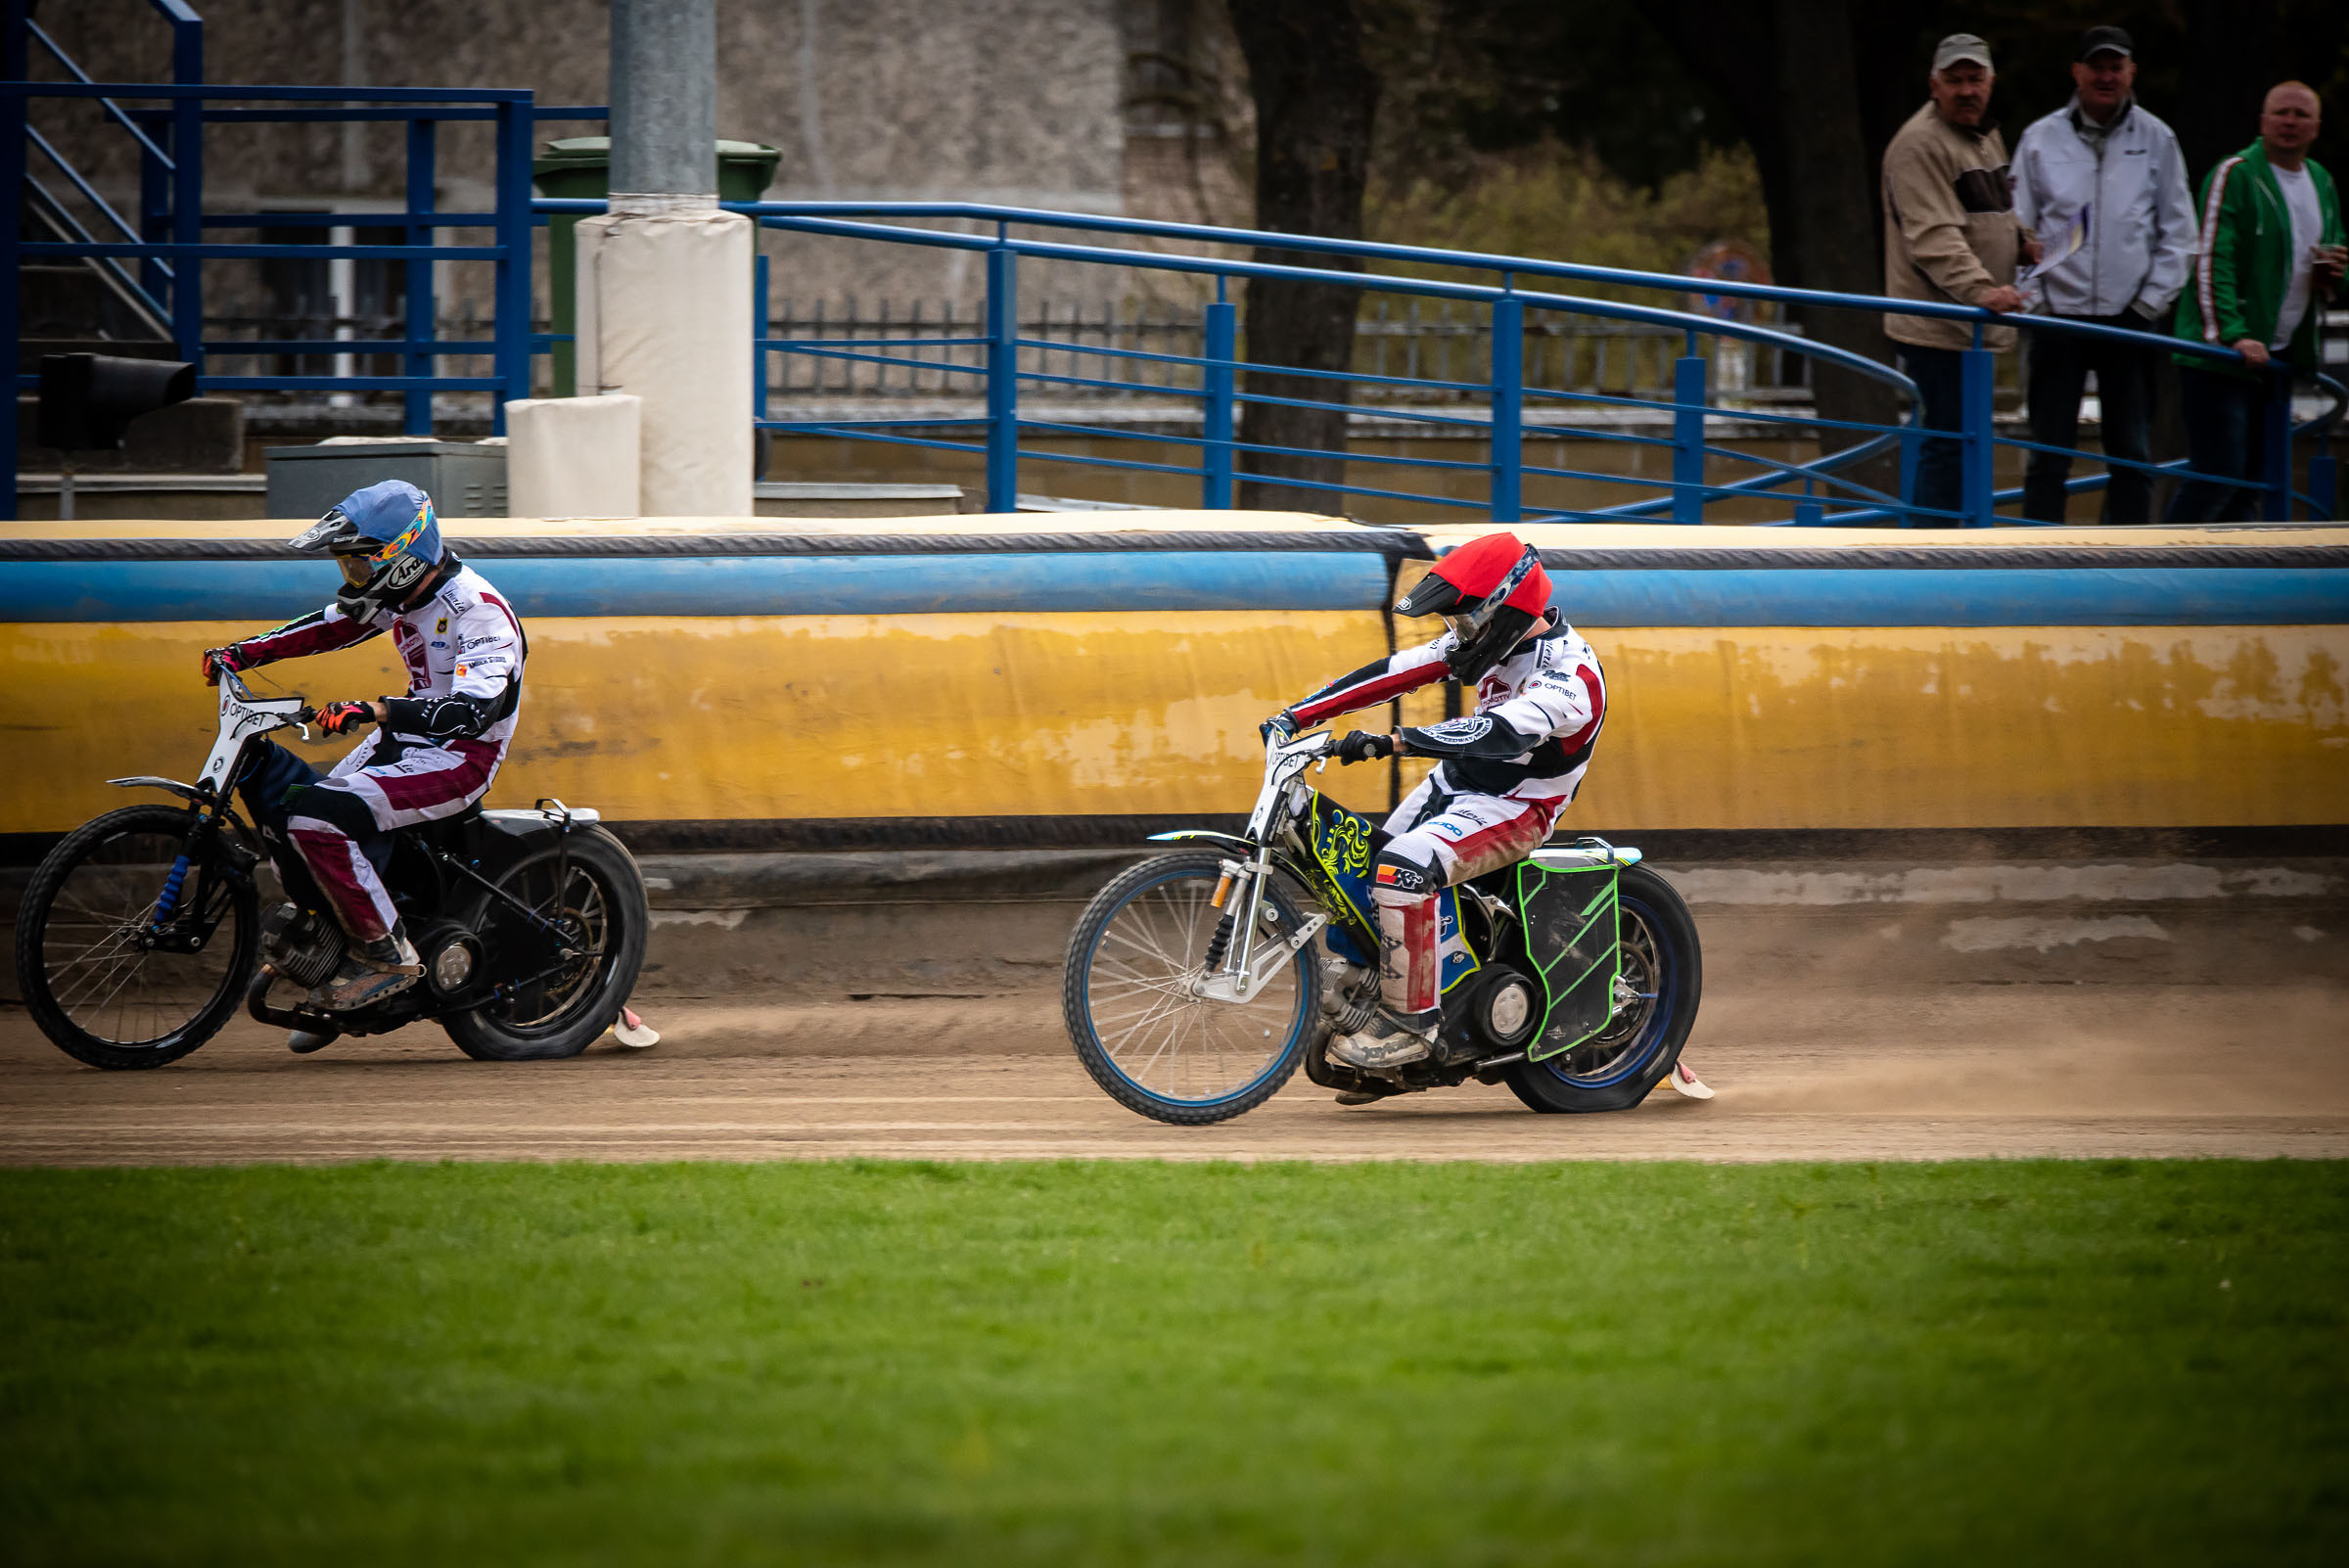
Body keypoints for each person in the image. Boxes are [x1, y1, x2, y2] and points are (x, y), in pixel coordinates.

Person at [1262, 531, 1604, 1075]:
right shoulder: (1495, 642)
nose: (1458, 634)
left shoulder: (1570, 675)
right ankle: (1380, 987)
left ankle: (1411, 1025)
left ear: (1506, 607)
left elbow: (1499, 733)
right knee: (1365, 869)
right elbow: (1394, 672)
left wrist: (1395, 742)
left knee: (1403, 867)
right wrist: (1296, 716)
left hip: (1517, 805)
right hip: (1456, 784)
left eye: (1465, 621)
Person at [201, 480, 528, 1033]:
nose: (352, 577)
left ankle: (385, 956)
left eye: (358, 564)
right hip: (404, 740)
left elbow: (473, 713)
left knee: (318, 818)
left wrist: (376, 710)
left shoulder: (479, 611)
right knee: (295, 807)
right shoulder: (403, 595)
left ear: (403, 555)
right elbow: (334, 626)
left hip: (460, 758)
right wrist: (242, 653)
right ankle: (336, 950)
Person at [2010, 25, 2196, 523]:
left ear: (2132, 73)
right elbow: (2015, 229)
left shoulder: (2158, 138)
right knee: (2048, 454)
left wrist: (2147, 304)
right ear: (2077, 72)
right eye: (2097, 67)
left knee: (2132, 455)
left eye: (2117, 67)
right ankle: (2037, 554)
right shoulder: (2039, 138)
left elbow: (2180, 233)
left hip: (2129, 321)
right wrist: (2036, 302)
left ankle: (2130, 557)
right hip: (2058, 319)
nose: (2107, 77)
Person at [2168, 82, 2345, 522]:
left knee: (2254, 483)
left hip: (2277, 358)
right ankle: (2161, 557)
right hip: (2221, 356)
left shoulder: (2321, 181)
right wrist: (2235, 334)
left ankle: (2232, 565)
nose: (2290, 122)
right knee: (2219, 475)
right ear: (2263, 121)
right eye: (2281, 113)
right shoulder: (2236, 173)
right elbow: (2212, 258)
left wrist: (2336, 275)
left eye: (2301, 115)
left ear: (2316, 127)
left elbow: (2335, 254)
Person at [1881, 33, 2034, 524]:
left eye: (1975, 79)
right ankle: (1933, 549)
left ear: (1991, 82)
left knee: (1962, 440)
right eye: (1954, 81)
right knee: (1949, 442)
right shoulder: (1920, 144)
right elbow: (1933, 239)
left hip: (1970, 321)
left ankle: (1955, 540)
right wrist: (1982, 290)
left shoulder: (1983, 134)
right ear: (1934, 86)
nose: (1966, 90)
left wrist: (2023, 241)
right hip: (1941, 323)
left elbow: (1994, 210)